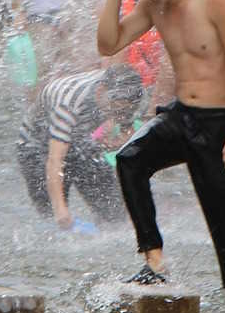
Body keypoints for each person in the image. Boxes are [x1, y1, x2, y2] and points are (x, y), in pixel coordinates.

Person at [97, 0, 225, 288]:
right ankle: (154, 261)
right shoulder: (152, 5)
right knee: (130, 159)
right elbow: (108, 44)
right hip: (182, 117)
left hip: (221, 124)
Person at [20, 65, 145, 229]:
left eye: (126, 111)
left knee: (115, 217)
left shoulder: (128, 91)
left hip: (80, 142)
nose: (119, 116)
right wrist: (60, 210)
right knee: (51, 218)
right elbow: (55, 160)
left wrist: (122, 139)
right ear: (101, 91)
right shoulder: (68, 104)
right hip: (37, 146)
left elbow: (129, 123)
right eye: (116, 109)